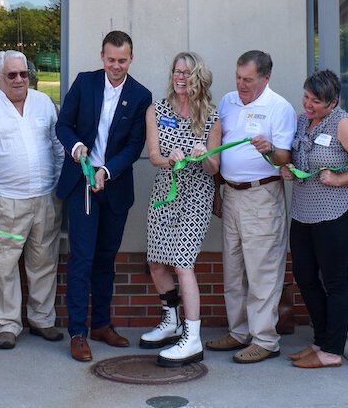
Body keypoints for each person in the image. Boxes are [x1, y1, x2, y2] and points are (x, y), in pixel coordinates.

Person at [56, 30, 153, 363]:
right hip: (81, 184)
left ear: (131, 58)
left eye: (122, 60)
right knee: (81, 258)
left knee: (106, 259)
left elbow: (133, 146)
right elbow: (63, 125)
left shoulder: (141, 95)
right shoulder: (84, 83)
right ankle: (78, 332)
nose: (116, 66)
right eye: (111, 60)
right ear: (102, 56)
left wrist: (107, 171)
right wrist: (76, 146)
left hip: (114, 187)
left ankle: (101, 324)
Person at [0, 50, 64, 351]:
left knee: (44, 262)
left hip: (45, 198)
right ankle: (7, 325)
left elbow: (58, 148)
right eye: (12, 75)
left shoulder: (44, 103)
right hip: (5, 201)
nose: (20, 79)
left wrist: (57, 187)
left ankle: (42, 319)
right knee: (3, 267)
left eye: (24, 73)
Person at [201, 50, 296, 365]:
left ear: (265, 78)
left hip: (262, 197)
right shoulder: (228, 101)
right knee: (235, 269)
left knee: (262, 271)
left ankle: (265, 339)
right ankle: (239, 331)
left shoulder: (279, 108)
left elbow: (284, 158)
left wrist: (270, 151)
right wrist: (219, 190)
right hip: (231, 195)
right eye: (238, 78)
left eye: (248, 80)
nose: (241, 85)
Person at [285, 69, 348, 369]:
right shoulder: (302, 121)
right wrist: (287, 169)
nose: (308, 104)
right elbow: (296, 158)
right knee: (304, 276)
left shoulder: (344, 124)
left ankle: (332, 350)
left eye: (316, 101)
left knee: (334, 282)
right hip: (303, 212)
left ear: (333, 101)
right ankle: (320, 339)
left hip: (334, 213)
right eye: (306, 97)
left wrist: (340, 179)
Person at [141, 52, 222, 366]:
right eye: (176, 71)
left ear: (197, 77)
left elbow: (213, 168)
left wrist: (203, 155)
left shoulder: (212, 117)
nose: (180, 77)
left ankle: (192, 338)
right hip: (165, 190)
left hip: (196, 195)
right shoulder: (157, 110)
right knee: (156, 261)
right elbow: (153, 155)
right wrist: (170, 156)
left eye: (187, 73)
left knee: (182, 262)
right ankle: (170, 319)